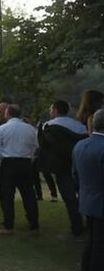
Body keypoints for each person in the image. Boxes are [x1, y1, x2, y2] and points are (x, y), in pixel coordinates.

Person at [41, 100, 88, 236]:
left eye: (51, 110)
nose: (50, 112)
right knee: (82, 194)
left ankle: (76, 226)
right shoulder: (79, 126)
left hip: (61, 166)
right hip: (78, 164)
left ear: (55, 110)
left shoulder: (49, 126)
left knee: (69, 198)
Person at [0, 104, 40, 234]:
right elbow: (36, 148)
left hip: (8, 163)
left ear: (8, 113)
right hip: (25, 163)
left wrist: (0, 162)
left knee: (7, 196)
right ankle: (34, 223)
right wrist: (29, 160)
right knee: (29, 194)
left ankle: (8, 224)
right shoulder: (30, 129)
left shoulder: (2, 129)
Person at [74, 109, 104, 271]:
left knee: (93, 242)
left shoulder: (81, 145)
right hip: (101, 200)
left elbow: (75, 174)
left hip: (87, 199)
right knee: (100, 245)